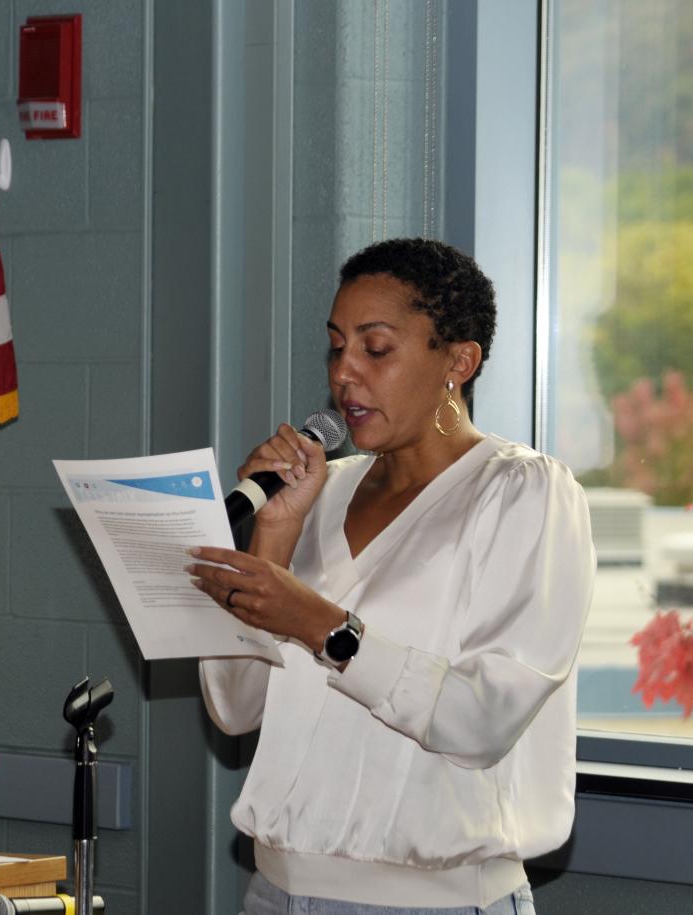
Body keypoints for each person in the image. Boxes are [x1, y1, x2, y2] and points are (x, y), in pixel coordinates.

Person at [189, 238, 595, 914]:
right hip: (275, 890)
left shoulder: (522, 492)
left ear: (458, 362)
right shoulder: (318, 494)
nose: (344, 372)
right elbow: (233, 709)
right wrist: (274, 537)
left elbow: (480, 719)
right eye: (336, 346)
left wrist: (320, 624)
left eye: (375, 349)